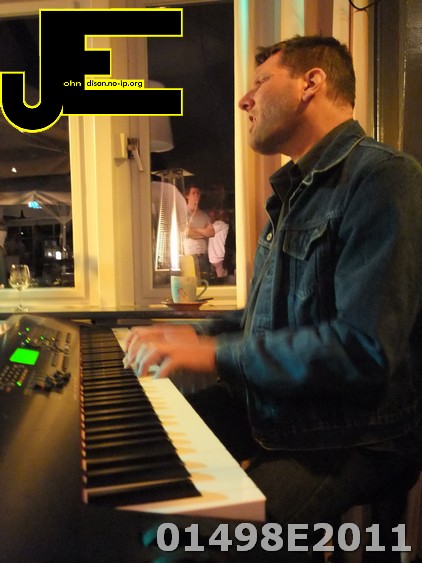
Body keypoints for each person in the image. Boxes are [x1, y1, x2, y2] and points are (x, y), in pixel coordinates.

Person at [124, 35, 422, 535]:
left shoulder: (383, 178)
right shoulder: (291, 194)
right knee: (143, 449)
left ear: (311, 83)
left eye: (260, 82)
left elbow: (363, 348)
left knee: (195, 539)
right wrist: (197, 335)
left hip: (355, 434)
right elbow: (261, 318)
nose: (245, 99)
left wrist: (215, 355)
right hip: (280, 408)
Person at [184, 184, 215, 277]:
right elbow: (187, 232)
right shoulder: (184, 213)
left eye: (198, 193)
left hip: (203, 255)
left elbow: (212, 232)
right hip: (189, 255)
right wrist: (204, 232)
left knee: (204, 279)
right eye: (193, 193)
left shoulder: (203, 215)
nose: (196, 196)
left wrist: (196, 230)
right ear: (187, 196)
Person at [207, 209, 229, 280]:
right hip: (221, 258)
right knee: (222, 281)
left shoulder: (211, 228)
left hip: (212, 258)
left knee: (213, 281)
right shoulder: (227, 228)